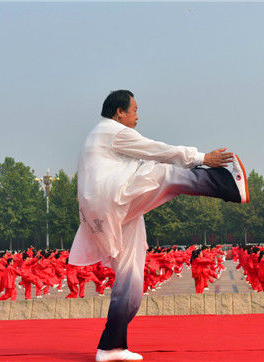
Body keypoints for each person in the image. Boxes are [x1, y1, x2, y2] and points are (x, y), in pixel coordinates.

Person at [69, 90, 248, 362]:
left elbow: (143, 157)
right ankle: (227, 185)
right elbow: (157, 150)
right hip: (113, 199)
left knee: (131, 279)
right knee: (164, 173)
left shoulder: (99, 136)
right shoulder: (113, 131)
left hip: (107, 212)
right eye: (135, 110)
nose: (138, 117)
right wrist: (202, 158)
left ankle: (111, 347)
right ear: (120, 113)